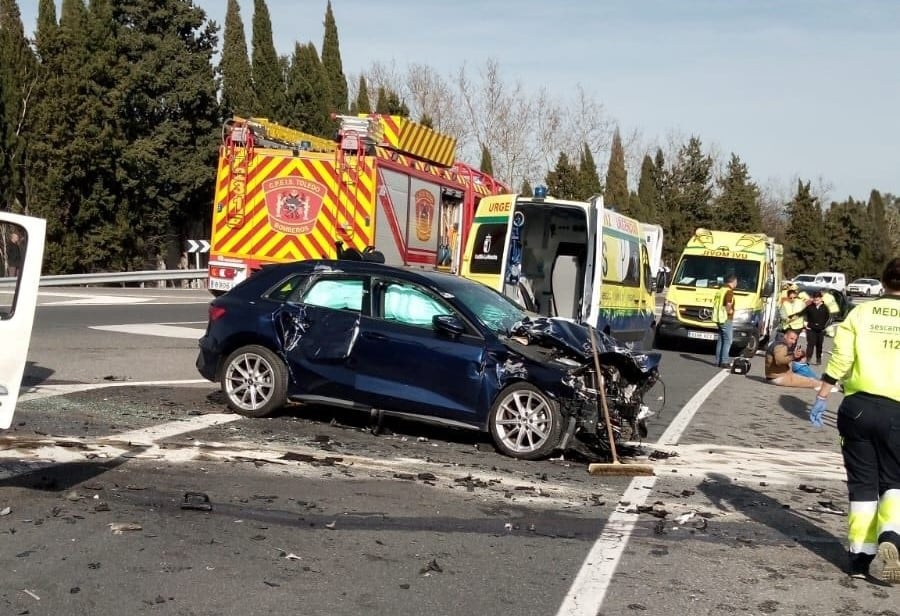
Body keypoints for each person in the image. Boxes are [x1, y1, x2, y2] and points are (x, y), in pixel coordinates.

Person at [809, 257, 900, 583]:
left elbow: (842, 358)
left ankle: (860, 558)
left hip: (858, 407)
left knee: (863, 485)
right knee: (896, 482)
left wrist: (822, 396)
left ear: (882, 282)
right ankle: (893, 534)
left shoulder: (861, 313)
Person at [713, 274, 737, 368]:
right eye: (736, 281)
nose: (736, 283)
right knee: (728, 340)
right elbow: (728, 303)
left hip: (718, 317)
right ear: (733, 281)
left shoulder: (720, 290)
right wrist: (729, 311)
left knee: (721, 339)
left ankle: (717, 361)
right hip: (726, 318)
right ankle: (724, 361)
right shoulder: (729, 292)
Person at [803, 290, 830, 365]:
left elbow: (828, 318)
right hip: (811, 329)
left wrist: (825, 326)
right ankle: (808, 359)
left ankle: (818, 359)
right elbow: (804, 315)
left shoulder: (825, 308)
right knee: (810, 344)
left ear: (821, 299)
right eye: (814, 300)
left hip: (821, 330)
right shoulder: (809, 307)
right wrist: (805, 324)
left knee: (819, 345)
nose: (815, 301)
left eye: (817, 299)